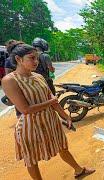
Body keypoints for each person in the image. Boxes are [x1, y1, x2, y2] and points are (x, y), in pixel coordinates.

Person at [1, 41, 95, 180]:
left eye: (37, 58)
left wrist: (65, 116)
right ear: (18, 59)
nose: (36, 61)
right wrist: (51, 101)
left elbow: (51, 98)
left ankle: (79, 170)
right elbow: (25, 109)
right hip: (30, 126)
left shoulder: (38, 76)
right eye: (31, 58)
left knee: (62, 147)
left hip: (50, 120)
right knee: (32, 158)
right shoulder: (9, 80)